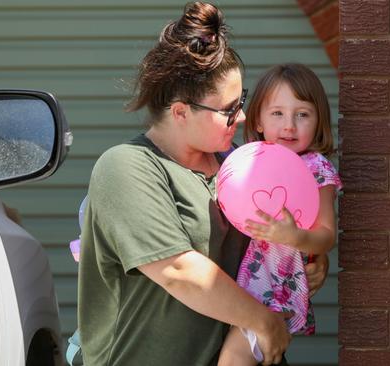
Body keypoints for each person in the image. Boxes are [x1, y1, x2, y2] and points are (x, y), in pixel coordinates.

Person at [77, 3, 328, 365]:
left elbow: (291, 234)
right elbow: (181, 272)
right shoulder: (127, 167)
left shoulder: (242, 162)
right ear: (181, 112)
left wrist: (310, 261)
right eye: (228, 109)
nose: (242, 116)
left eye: (241, 101)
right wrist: (263, 321)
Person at [217, 63, 342, 366]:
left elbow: (326, 236)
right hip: (240, 287)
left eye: (302, 114)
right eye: (277, 113)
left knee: (234, 357)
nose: (289, 125)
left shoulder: (317, 169)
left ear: (318, 121)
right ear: (258, 119)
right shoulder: (246, 161)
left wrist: (295, 236)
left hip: (277, 286)